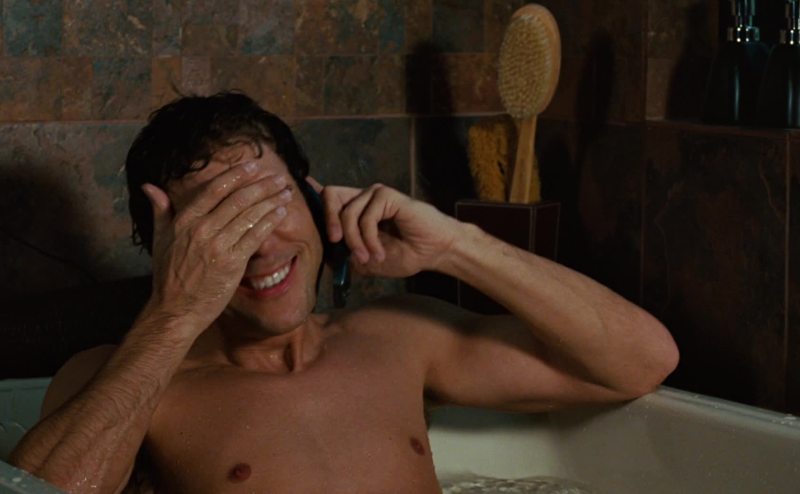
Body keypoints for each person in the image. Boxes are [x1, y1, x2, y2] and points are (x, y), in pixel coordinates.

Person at [9, 92, 679, 493]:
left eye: (271, 206)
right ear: (169, 249)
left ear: (312, 198)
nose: (262, 246)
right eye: (221, 226)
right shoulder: (120, 381)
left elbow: (642, 361)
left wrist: (457, 245)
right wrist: (175, 312)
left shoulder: (397, 340)